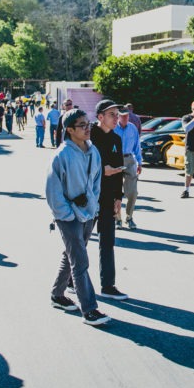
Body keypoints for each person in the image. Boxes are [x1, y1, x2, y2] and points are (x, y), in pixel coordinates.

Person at [46, 109, 112, 326]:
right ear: (69, 129)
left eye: (88, 124)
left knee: (71, 254)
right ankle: (90, 310)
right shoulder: (61, 155)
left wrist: (93, 208)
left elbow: (96, 183)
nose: (87, 128)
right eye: (82, 125)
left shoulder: (93, 152)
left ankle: (57, 294)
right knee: (80, 261)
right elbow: (53, 192)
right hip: (68, 217)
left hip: (89, 214)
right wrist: (67, 214)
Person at [90, 100, 129, 300]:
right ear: (100, 117)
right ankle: (70, 280)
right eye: (112, 114)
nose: (117, 118)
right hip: (87, 198)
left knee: (107, 242)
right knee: (79, 242)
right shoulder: (88, 135)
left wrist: (118, 198)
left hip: (107, 198)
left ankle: (108, 285)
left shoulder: (116, 139)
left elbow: (119, 170)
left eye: (117, 114)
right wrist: (100, 170)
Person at [113, 108, 142, 229]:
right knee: (115, 191)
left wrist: (140, 162)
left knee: (132, 192)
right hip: (115, 159)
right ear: (118, 117)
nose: (125, 118)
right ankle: (117, 218)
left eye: (127, 116)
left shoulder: (132, 128)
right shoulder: (113, 128)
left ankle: (129, 217)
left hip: (129, 159)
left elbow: (137, 146)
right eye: (123, 116)